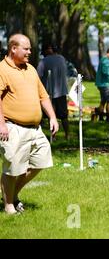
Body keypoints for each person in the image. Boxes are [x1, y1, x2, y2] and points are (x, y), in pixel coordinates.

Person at [0, 34, 59, 214]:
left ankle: (13, 194)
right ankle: (9, 204)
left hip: (35, 128)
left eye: (30, 49)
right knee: (12, 169)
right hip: (12, 127)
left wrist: (53, 117)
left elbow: (43, 96)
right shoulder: (2, 69)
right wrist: (1, 124)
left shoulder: (30, 69)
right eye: (26, 49)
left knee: (41, 161)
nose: (29, 52)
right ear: (13, 49)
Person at [37, 43, 70, 140]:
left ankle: (53, 136)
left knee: (51, 115)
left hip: (49, 92)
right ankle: (67, 135)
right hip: (62, 91)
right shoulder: (62, 58)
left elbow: (38, 77)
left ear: (48, 50)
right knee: (64, 116)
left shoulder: (43, 61)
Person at [95, 46, 109, 122]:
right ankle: (108, 117)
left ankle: (100, 116)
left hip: (100, 84)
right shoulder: (106, 61)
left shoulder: (102, 59)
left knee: (103, 100)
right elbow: (105, 72)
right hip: (105, 84)